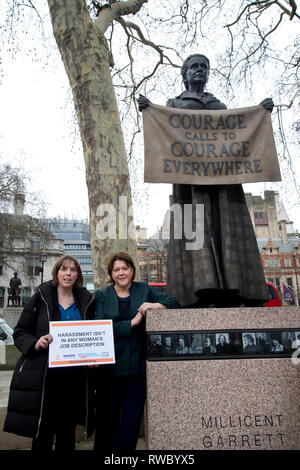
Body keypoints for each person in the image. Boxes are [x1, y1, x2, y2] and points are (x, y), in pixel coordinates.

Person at [138, 54, 273, 308]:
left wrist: (260, 112)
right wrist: (150, 108)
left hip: (223, 179)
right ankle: (198, 291)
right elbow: (164, 129)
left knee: (226, 227)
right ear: (185, 75)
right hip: (190, 182)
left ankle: (234, 288)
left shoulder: (217, 104)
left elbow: (240, 129)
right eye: (194, 67)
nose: (199, 71)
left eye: (204, 67)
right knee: (195, 228)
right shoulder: (175, 103)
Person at [3, 255, 95, 451]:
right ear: (57, 272)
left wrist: (94, 356)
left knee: (67, 432)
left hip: (74, 378)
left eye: (72, 270)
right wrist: (36, 343)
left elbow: (93, 336)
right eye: (64, 269)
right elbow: (20, 332)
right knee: (43, 432)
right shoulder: (41, 297)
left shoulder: (86, 300)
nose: (68, 273)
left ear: (78, 274)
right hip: (45, 377)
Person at [93, 252, 180, 451]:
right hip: (110, 372)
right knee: (108, 425)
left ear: (132, 271)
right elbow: (101, 328)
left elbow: (174, 303)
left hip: (137, 372)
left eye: (125, 268)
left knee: (131, 426)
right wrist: (131, 323)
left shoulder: (145, 290)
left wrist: (155, 305)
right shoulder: (102, 295)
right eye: (116, 270)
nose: (121, 273)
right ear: (111, 274)